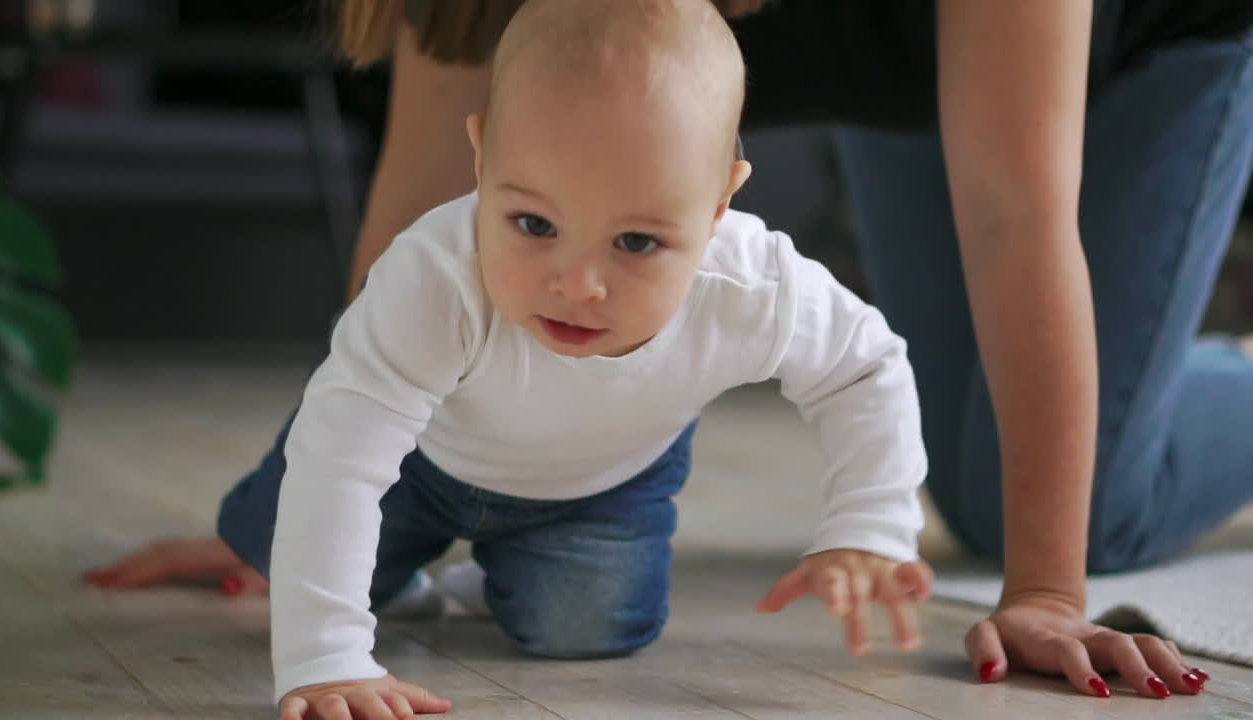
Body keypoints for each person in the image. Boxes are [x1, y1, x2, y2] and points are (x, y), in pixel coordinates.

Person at [85, 0, 1253, 705]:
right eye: (539, 221)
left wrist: (1044, 590)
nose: (581, 281)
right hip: (899, 64)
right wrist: (300, 513)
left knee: (1063, 509)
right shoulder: (527, 78)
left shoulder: (752, 279)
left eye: (639, 238)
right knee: (973, 459)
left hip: (1121, 44)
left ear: (719, 200)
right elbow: (415, 217)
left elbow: (1011, 215)